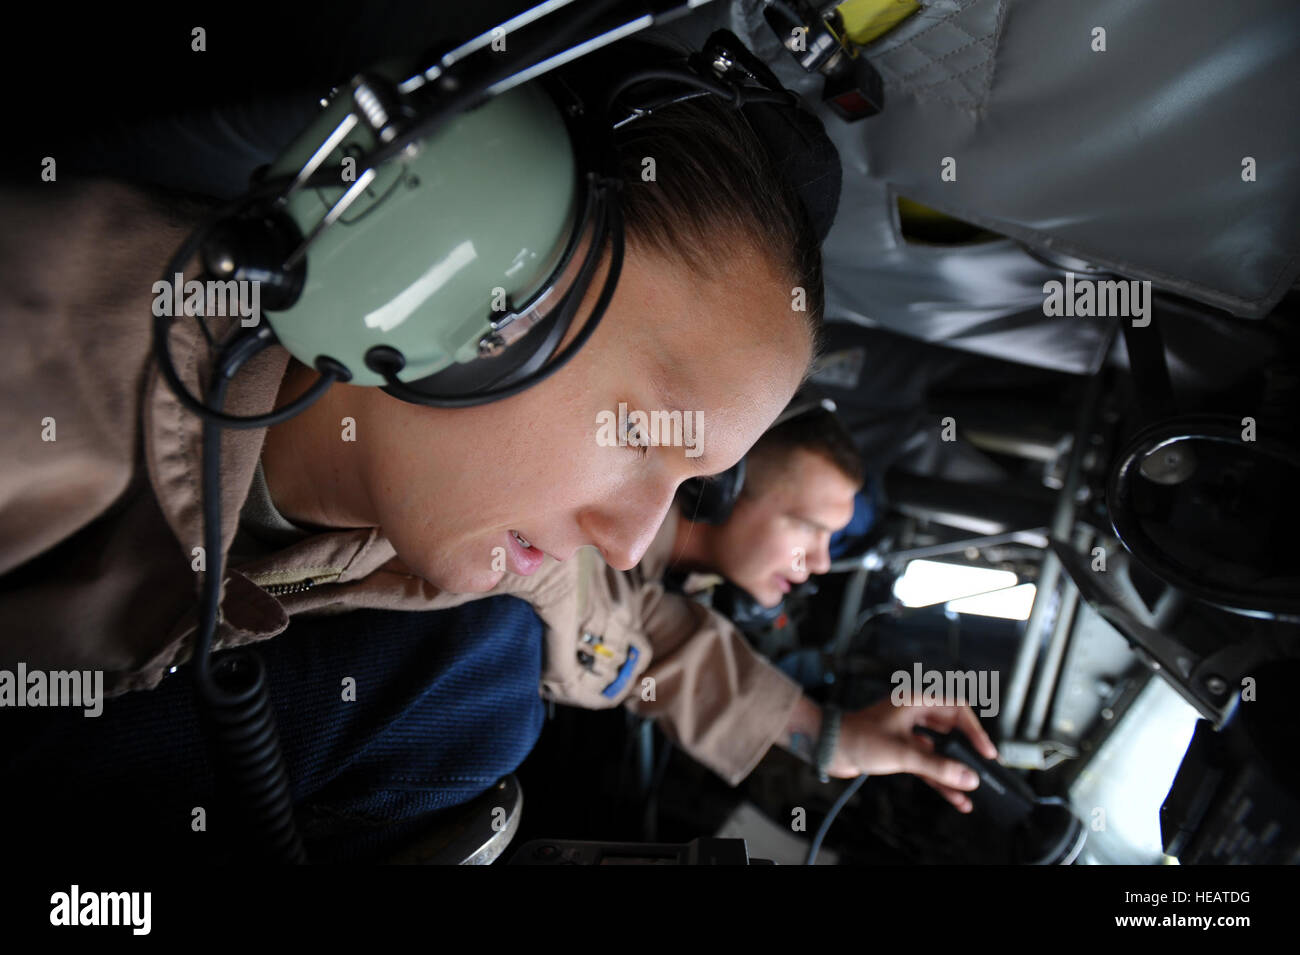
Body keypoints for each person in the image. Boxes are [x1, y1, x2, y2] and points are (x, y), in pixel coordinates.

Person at [0, 54, 830, 698]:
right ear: (448, 260)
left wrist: (821, 732)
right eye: (640, 434)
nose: (626, 543)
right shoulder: (37, 359)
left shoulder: (468, 511)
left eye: (688, 484)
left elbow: (609, 617)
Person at [511, 406, 999, 814]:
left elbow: (667, 646)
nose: (823, 561)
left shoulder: (651, 575)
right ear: (721, 482)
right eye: (808, 527)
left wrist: (833, 736)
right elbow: (607, 626)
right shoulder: (581, 517)